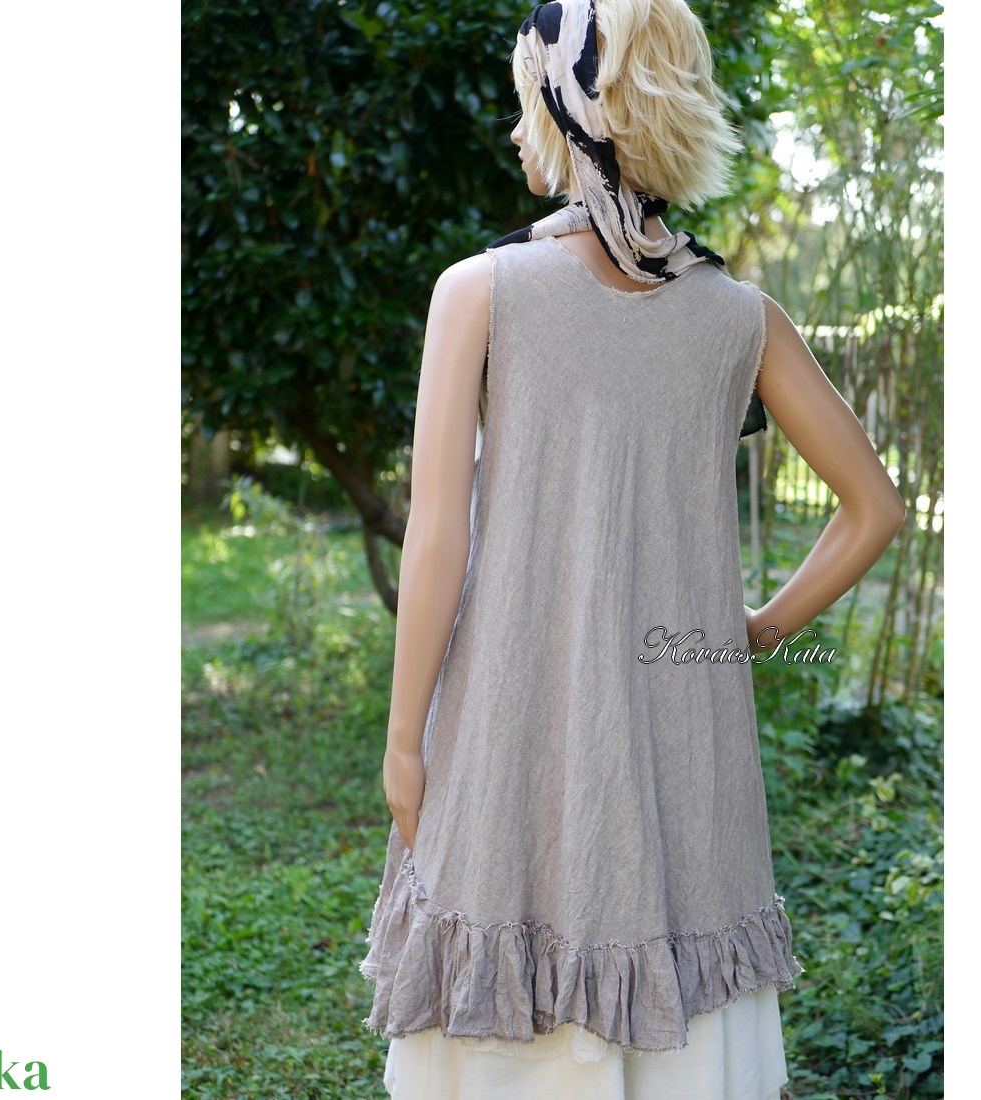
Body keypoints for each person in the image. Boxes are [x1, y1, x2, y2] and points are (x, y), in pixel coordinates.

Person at [358, 0, 906, 1096]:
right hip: (684, 735)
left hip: (511, 721)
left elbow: (437, 535)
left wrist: (405, 737)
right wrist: (756, 631)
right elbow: (873, 509)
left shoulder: (477, 291)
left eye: (528, 97)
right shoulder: (740, 315)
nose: (517, 125)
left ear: (570, 104)